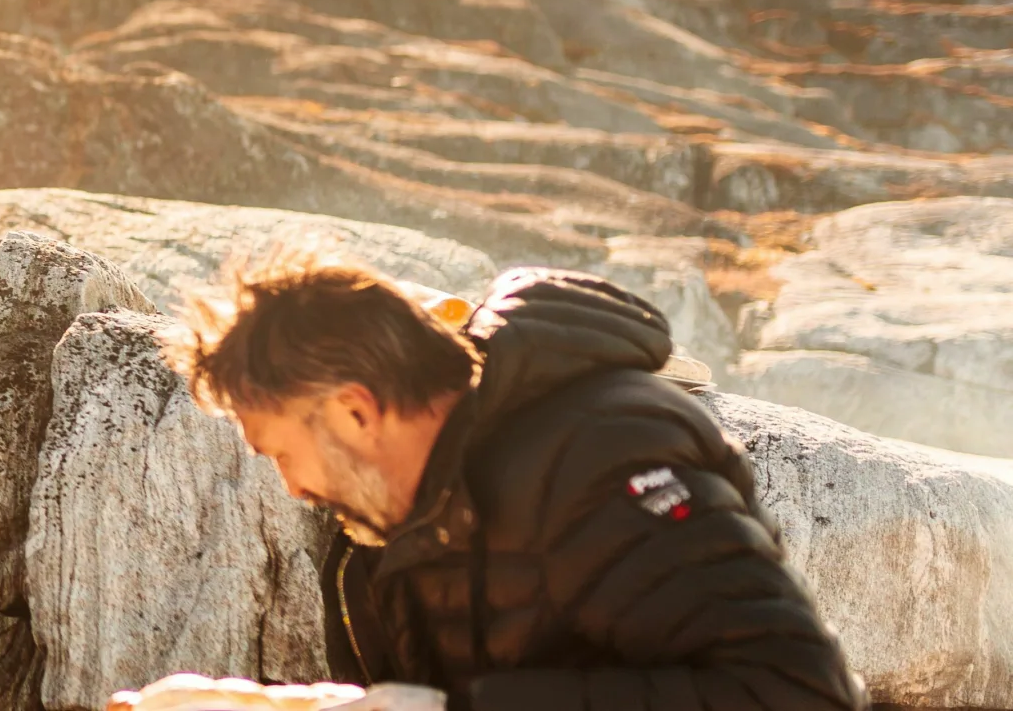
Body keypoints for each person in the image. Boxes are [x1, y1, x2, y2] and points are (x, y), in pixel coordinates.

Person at [175, 259, 868, 711]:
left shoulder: (601, 456)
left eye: (280, 453)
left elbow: (797, 692)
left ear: (355, 410)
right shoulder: (379, 550)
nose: (291, 487)